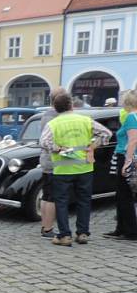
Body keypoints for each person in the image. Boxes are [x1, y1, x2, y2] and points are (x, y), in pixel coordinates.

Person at [40, 89, 111, 246]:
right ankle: (83, 233)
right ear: (71, 104)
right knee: (84, 201)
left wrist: (57, 148)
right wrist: (93, 146)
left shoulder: (53, 123)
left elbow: (43, 142)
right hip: (84, 168)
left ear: (55, 108)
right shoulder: (85, 120)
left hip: (62, 169)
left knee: (62, 202)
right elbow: (106, 133)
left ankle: (64, 235)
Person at [104, 89, 137, 240]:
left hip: (126, 157)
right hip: (129, 156)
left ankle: (130, 231)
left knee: (125, 196)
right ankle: (121, 228)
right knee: (123, 194)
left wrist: (127, 163)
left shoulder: (131, 116)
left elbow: (133, 140)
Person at [38, 91, 61, 238]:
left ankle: (44, 226)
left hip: (45, 159)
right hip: (54, 159)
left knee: (46, 195)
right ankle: (48, 228)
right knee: (52, 196)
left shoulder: (45, 114)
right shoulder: (56, 117)